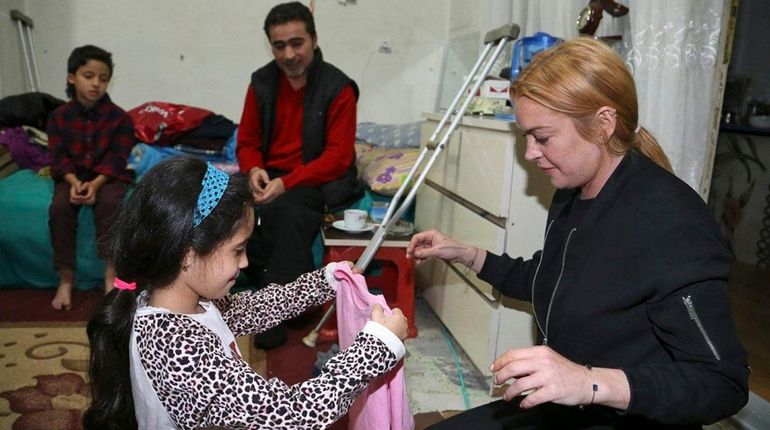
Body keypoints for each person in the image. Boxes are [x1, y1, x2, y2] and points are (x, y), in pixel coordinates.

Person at [406, 37, 749, 429]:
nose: (532, 154)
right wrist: (466, 253)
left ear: (603, 123)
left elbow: (723, 383)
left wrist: (589, 382)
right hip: (570, 406)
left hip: (629, 416)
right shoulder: (574, 192)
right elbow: (551, 279)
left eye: (544, 137)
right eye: (527, 139)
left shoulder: (671, 224)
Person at [82, 157, 408, 429]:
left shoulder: (187, 301)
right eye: (237, 250)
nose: (246, 261)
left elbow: (257, 307)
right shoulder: (177, 344)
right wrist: (375, 350)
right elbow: (287, 416)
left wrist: (323, 282)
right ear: (187, 254)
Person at [236, 1, 363, 348]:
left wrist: (286, 182)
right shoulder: (261, 82)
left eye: (297, 43)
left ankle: (274, 312)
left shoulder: (338, 87)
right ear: (271, 46)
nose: (289, 53)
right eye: (280, 45)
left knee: (286, 210)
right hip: (271, 175)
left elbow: (338, 157)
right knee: (220, 199)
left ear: (314, 39)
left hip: (316, 180)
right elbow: (246, 140)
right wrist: (254, 169)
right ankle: (262, 287)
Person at [47, 45, 135, 310]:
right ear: (71, 77)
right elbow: (58, 157)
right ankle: (65, 280)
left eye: (103, 78)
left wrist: (96, 183)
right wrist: (73, 182)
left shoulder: (120, 118)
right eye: (89, 75)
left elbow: (117, 158)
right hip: (72, 176)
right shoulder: (58, 117)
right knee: (60, 208)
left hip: (108, 177)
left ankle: (111, 276)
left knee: (110, 205)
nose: (96, 83)